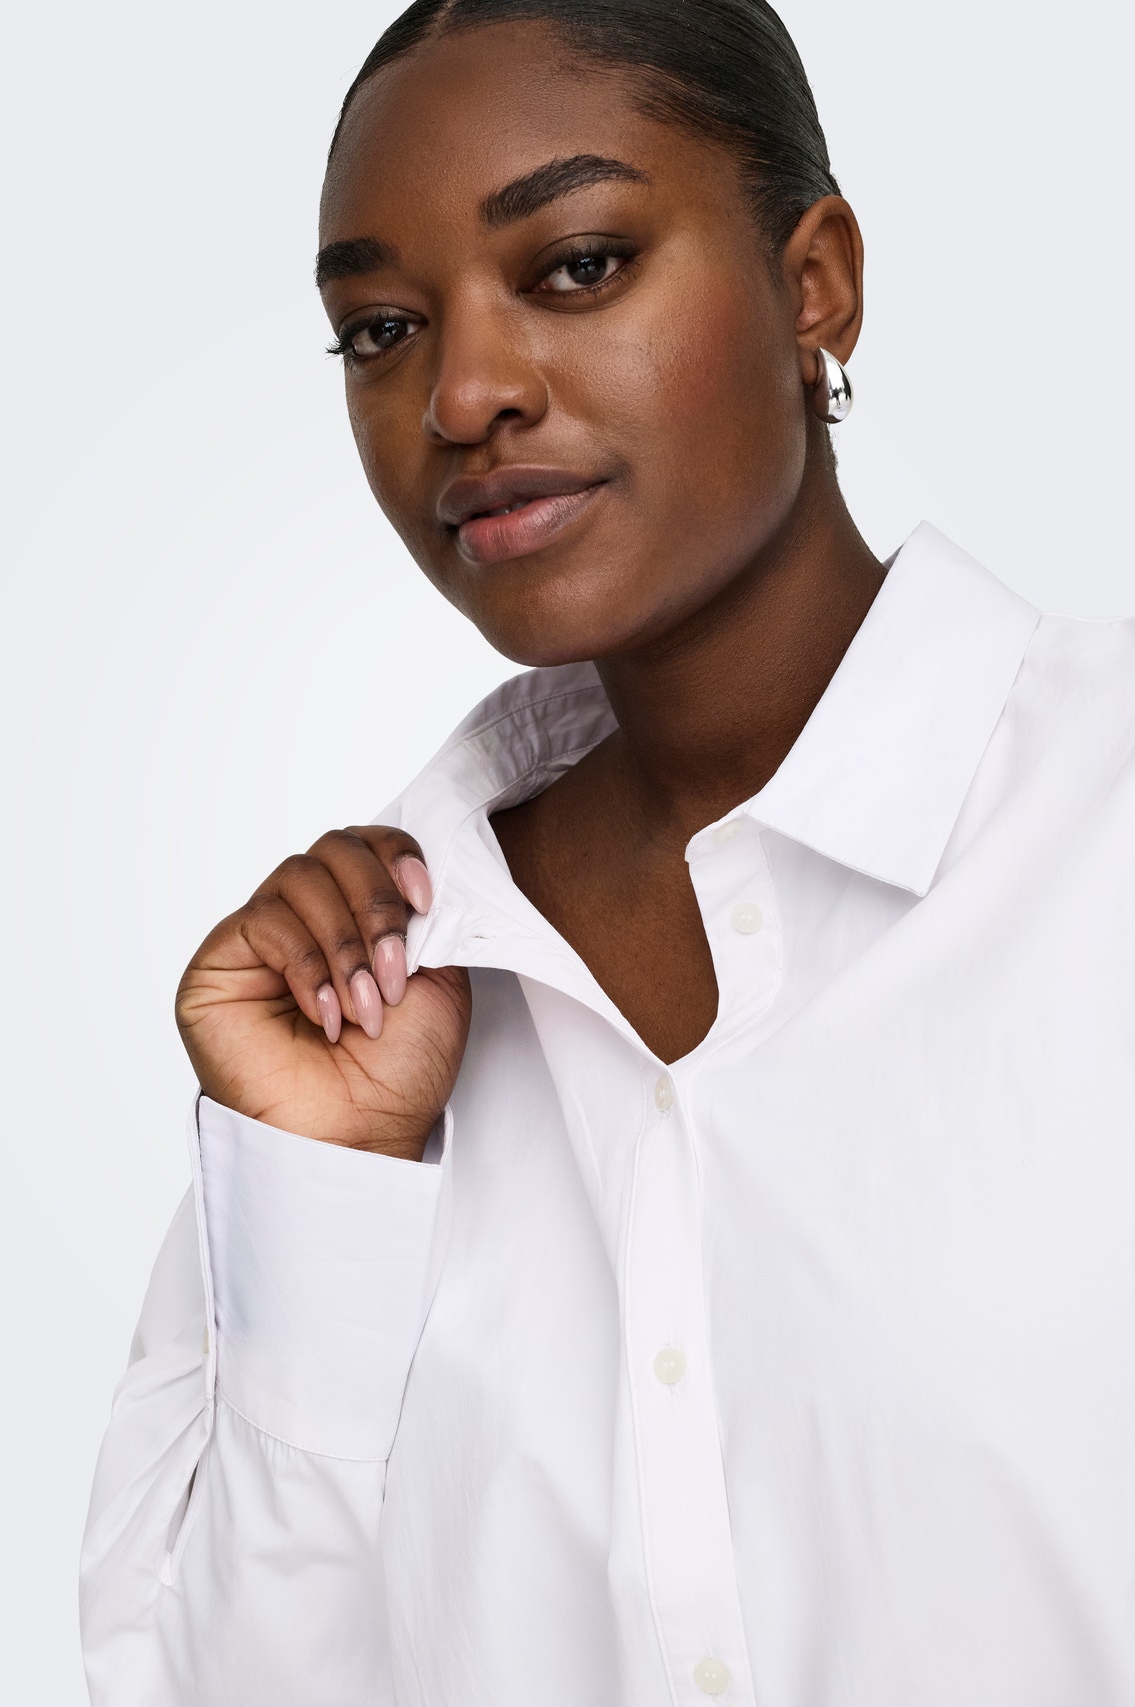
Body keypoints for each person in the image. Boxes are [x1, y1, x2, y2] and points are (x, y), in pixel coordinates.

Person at [79, 2, 1135, 1702]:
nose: (463, 394)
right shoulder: (377, 1005)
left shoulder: (1101, 837)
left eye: (576, 265)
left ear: (815, 285)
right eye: (382, 329)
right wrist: (321, 1188)